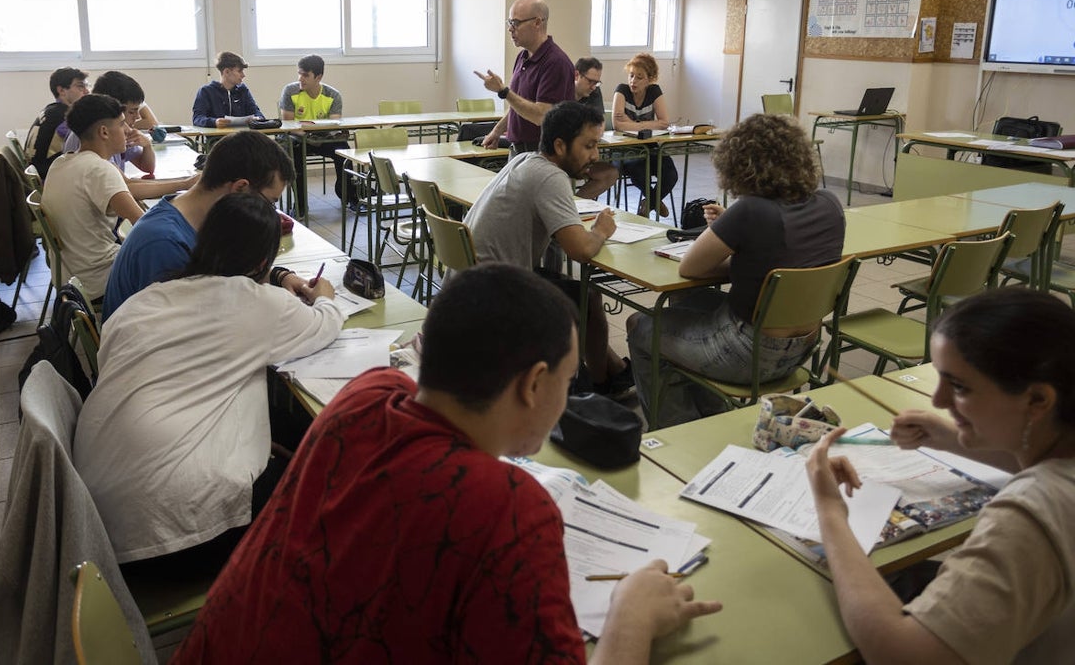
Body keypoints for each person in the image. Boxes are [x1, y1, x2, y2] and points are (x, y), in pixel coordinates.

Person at [170, 263, 721, 664]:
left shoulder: (365, 395)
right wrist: (632, 620)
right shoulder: (510, 509)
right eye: (569, 378)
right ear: (533, 384)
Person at [74, 192, 343, 571]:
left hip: (94, 521)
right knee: (325, 488)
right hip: (173, 536)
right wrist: (326, 296)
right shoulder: (257, 303)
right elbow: (325, 325)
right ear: (264, 262)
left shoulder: (145, 299)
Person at [807, 287, 1075, 665]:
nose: (939, 401)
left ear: (1037, 401)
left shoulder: (1030, 516)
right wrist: (952, 437)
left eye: (960, 387)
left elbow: (902, 655)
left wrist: (831, 513)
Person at [626, 113, 844, 428]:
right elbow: (786, 255)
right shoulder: (830, 204)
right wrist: (743, 240)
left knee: (641, 326)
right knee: (688, 304)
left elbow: (691, 267)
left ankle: (678, 428)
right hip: (804, 347)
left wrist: (733, 232)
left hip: (747, 352)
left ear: (739, 164)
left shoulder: (751, 211)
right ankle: (712, 416)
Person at [465, 101, 630, 394]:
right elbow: (579, 250)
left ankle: (612, 371)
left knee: (576, 294)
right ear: (560, 145)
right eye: (588, 146)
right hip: (498, 292)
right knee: (586, 299)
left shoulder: (525, 160)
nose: (596, 155)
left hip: (474, 280)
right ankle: (603, 384)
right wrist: (601, 231)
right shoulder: (551, 177)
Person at [101, 130, 297, 321]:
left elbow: (224, 272)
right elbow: (187, 332)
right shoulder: (165, 243)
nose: (270, 211)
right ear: (240, 188)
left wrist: (279, 277)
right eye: (270, 203)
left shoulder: (196, 216)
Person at [41, 94, 146, 300]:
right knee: (180, 264)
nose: (129, 130)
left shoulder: (61, 163)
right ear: (104, 132)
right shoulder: (100, 169)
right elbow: (144, 223)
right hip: (100, 279)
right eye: (122, 123)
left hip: (70, 276)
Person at [64, 71, 199, 201]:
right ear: (113, 108)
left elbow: (147, 168)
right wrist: (184, 184)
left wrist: (147, 145)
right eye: (132, 112)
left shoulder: (114, 133)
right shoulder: (91, 138)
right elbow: (127, 187)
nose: (138, 117)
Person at [475, 0, 575, 156]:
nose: (510, 29)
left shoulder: (555, 62)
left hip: (542, 154)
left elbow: (541, 116)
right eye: (509, 23)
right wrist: (497, 131)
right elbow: (519, 104)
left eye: (516, 23)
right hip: (517, 149)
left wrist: (503, 91)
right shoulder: (523, 57)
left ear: (537, 22)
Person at [278, 54, 358, 213]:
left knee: (343, 149)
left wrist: (331, 133)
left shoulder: (332, 95)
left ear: (318, 77)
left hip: (322, 138)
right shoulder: (290, 91)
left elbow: (334, 124)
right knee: (294, 154)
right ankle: (300, 205)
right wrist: (306, 134)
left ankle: (349, 196)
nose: (301, 78)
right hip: (297, 139)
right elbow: (288, 124)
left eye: (305, 75)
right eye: (299, 73)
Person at [611, 52, 678, 218]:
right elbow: (617, 125)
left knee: (671, 173)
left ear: (650, 79)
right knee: (639, 170)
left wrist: (632, 124)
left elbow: (664, 123)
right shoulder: (621, 91)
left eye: (639, 77)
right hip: (625, 148)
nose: (633, 81)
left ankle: (648, 204)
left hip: (650, 147)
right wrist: (647, 126)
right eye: (631, 75)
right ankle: (655, 202)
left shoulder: (654, 91)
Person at [23, 67, 87, 180]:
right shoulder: (65, 117)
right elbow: (86, 140)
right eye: (80, 86)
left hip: (36, 172)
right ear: (61, 90)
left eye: (86, 86)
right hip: (49, 176)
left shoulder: (50, 110)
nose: (86, 91)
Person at [573, 56, 618, 200]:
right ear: (577, 75)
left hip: (582, 155)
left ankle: (576, 206)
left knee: (610, 174)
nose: (593, 86)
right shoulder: (561, 90)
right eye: (590, 81)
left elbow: (600, 125)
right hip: (563, 157)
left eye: (597, 83)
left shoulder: (594, 92)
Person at [192, 51, 265, 127]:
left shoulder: (243, 90)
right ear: (226, 72)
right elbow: (197, 118)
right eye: (239, 71)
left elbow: (257, 112)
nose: (243, 75)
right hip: (218, 138)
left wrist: (258, 118)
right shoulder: (206, 91)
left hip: (243, 136)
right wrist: (214, 122)